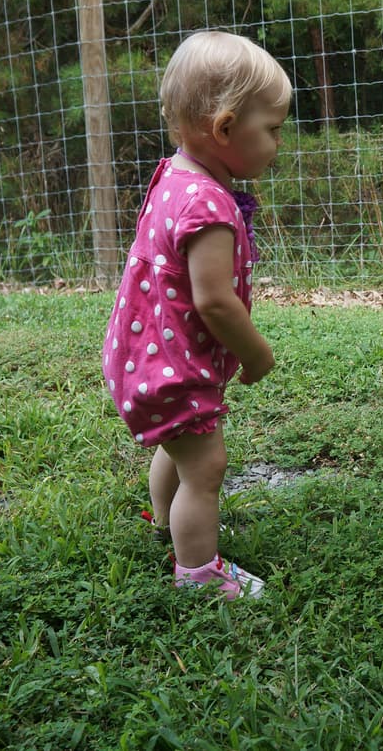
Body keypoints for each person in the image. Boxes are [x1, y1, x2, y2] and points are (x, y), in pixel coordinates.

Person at [102, 30, 290, 599]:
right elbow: (212, 300)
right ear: (226, 128)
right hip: (170, 362)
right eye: (273, 129)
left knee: (181, 445)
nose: (279, 142)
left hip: (144, 351)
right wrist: (256, 352)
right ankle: (199, 573)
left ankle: (165, 523)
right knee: (206, 467)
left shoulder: (175, 177)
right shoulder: (208, 204)